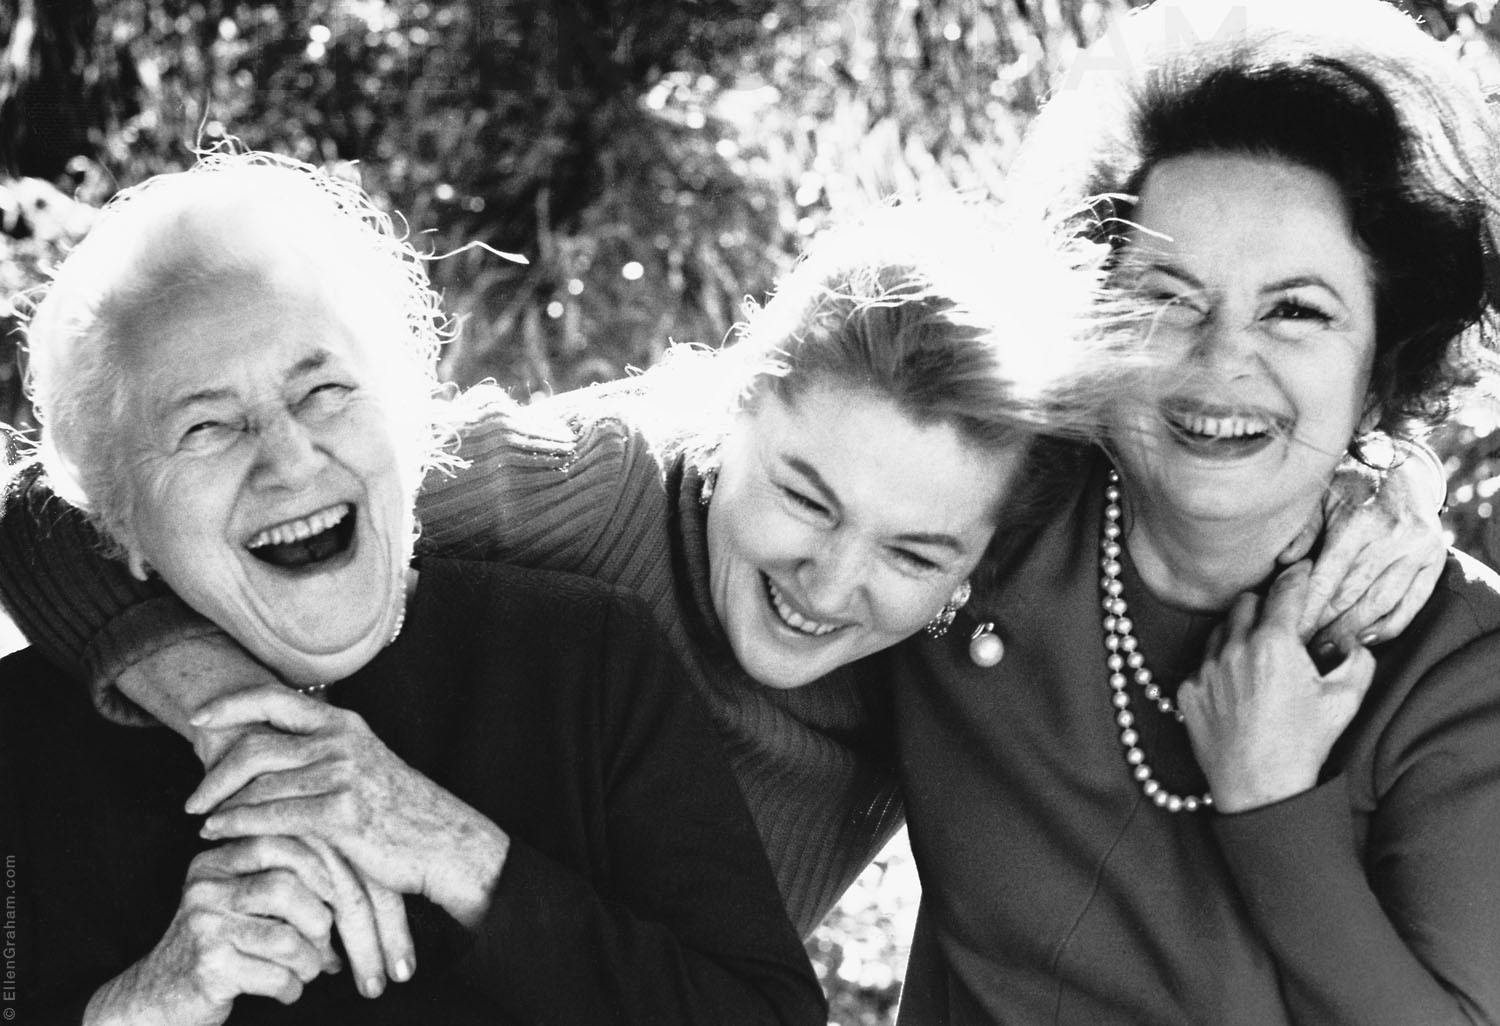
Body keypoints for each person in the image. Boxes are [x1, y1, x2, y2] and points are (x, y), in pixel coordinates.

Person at [0, 151, 829, 1025]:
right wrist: (141, 1007)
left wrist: (465, 859)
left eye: (323, 390)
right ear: (121, 524)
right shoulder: (22, 747)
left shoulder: (586, 662)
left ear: (402, 417)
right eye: (207, 426)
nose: (288, 460)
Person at [889, 1, 1500, 1022]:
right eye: (1168, 296)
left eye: (1296, 310)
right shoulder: (995, 509)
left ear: (1384, 366)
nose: (1222, 360)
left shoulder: (1457, 666)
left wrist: (1270, 804)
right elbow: (749, 458)